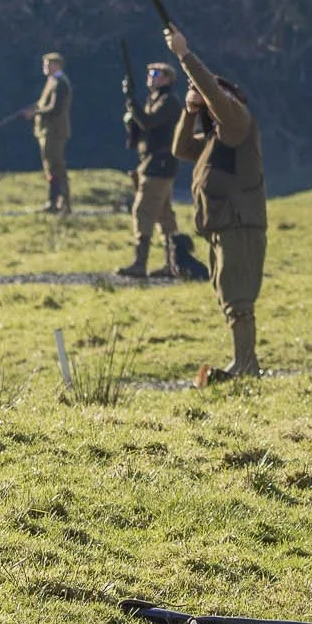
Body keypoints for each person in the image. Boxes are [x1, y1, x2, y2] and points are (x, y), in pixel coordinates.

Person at [167, 25, 267, 382]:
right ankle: (244, 363)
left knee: (238, 297)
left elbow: (218, 98)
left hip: (239, 224)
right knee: (229, 295)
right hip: (224, 226)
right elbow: (180, 149)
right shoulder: (214, 139)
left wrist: (184, 56)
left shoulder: (237, 121)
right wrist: (189, 109)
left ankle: (246, 366)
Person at [121, 62, 206, 281]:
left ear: (168, 79)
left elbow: (148, 123)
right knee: (164, 214)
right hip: (154, 161)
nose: (151, 77)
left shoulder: (168, 102)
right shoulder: (156, 99)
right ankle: (172, 262)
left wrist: (131, 101)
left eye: (156, 74)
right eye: (149, 73)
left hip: (159, 163)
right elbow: (143, 127)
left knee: (143, 210)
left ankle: (141, 263)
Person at [21, 52, 71, 214]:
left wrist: (36, 113)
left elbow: (54, 108)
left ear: (56, 65)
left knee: (56, 167)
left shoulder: (60, 83)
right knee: (50, 167)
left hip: (54, 132)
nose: (45, 67)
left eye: (47, 64)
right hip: (47, 131)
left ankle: (62, 202)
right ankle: (54, 201)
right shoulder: (52, 82)